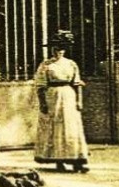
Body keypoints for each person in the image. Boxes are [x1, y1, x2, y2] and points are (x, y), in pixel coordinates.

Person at [34, 32, 89, 173]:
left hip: (69, 96)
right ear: (52, 50)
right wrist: (43, 104)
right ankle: (59, 160)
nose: (58, 51)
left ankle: (77, 159)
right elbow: (40, 86)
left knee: (72, 128)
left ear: (65, 50)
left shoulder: (71, 64)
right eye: (56, 48)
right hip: (53, 97)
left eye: (61, 49)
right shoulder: (46, 65)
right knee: (56, 128)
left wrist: (79, 101)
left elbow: (77, 84)